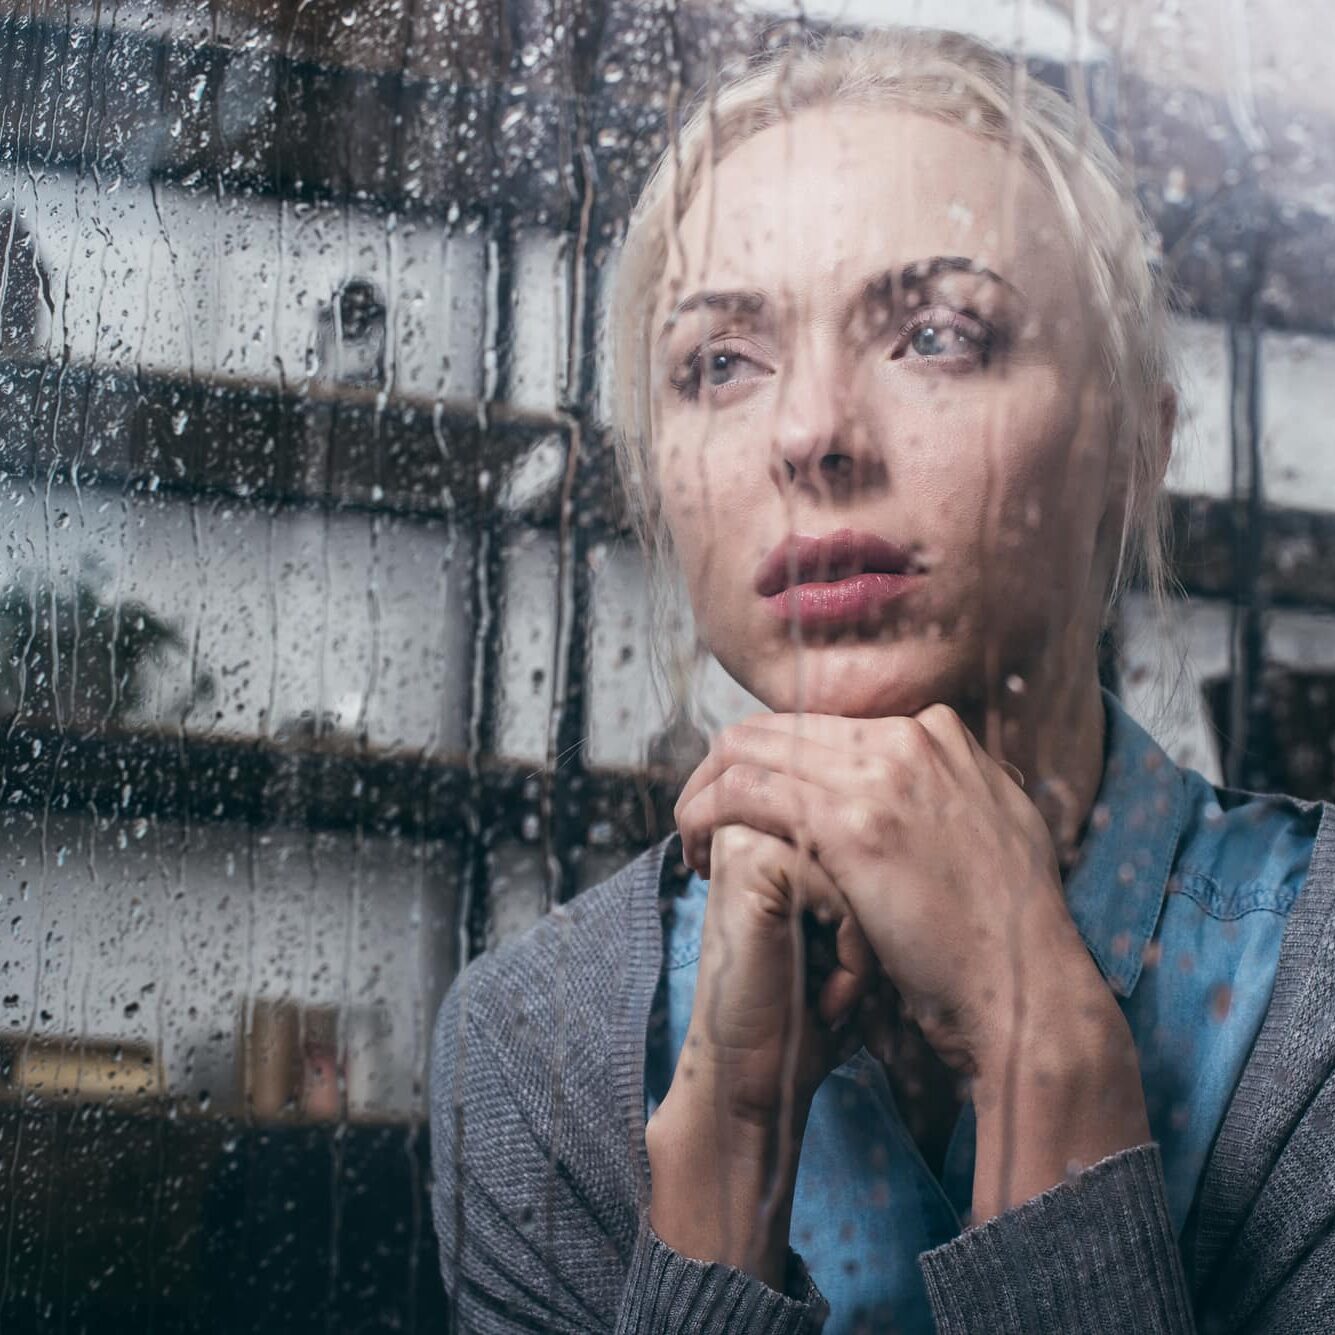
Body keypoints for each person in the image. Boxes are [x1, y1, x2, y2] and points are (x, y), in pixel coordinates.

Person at [430, 27, 1335, 1333]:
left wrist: (1043, 1054)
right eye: (720, 365)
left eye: (940, 335)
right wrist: (727, 1156)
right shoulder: (537, 1042)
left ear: (1135, 444)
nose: (811, 437)